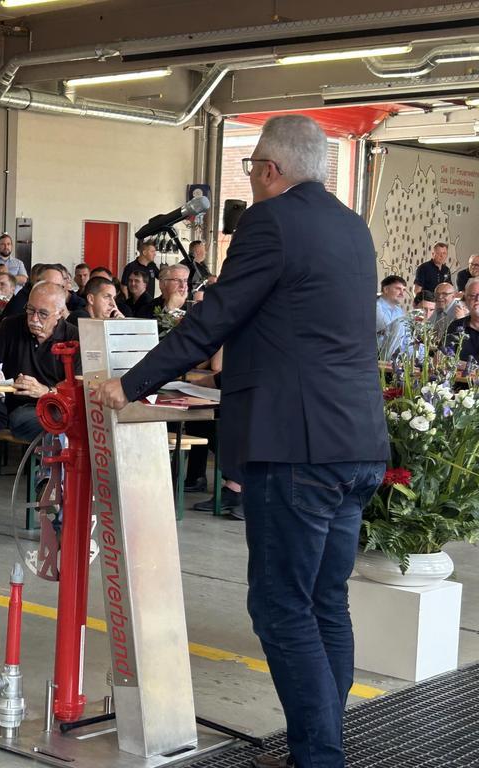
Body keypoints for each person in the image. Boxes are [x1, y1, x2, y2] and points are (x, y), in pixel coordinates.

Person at [89, 115, 388, 768]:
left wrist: (130, 384)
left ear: (271, 170)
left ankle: (320, 758)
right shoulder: (351, 226)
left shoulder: (270, 221)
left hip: (295, 445)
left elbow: (214, 320)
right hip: (357, 442)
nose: (250, 179)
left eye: (252, 168)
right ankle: (322, 747)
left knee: (281, 609)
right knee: (324, 603)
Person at [0, 281, 79, 442]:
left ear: (59, 313)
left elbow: (79, 389)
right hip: (18, 408)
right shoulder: (11, 326)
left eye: (43, 314)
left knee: (59, 418)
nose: (34, 319)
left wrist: (45, 391)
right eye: (30, 310)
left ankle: (57, 449)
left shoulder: (73, 337)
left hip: (58, 406)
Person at [376, 275, 408, 357]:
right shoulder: (376, 306)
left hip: (396, 355)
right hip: (377, 354)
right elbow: (390, 331)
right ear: (386, 289)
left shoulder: (399, 311)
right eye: (398, 289)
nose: (402, 293)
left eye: (404, 290)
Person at [448, 279, 479, 361]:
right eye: (472, 296)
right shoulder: (455, 326)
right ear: (466, 300)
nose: (477, 299)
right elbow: (441, 357)